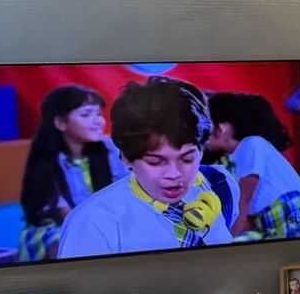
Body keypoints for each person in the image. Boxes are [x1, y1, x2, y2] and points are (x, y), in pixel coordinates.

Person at [58, 77, 238, 259]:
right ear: (126, 158)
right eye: (155, 162)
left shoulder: (221, 184)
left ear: (201, 150)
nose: (174, 174)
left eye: (187, 159)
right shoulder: (92, 222)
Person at [18, 86, 130, 262]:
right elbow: (62, 214)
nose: (97, 121)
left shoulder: (110, 149)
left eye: (98, 114)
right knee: (66, 243)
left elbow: (126, 192)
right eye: (86, 115)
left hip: (107, 222)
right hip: (61, 226)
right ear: (61, 123)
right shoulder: (47, 159)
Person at [205, 92, 300, 240]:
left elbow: (243, 200)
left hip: (293, 221)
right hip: (270, 225)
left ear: (221, 129)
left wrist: (227, 239)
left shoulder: (251, 145)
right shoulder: (231, 159)